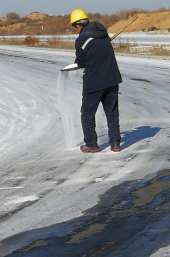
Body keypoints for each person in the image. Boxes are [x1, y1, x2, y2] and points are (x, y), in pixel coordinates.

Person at [70, 9, 123, 153]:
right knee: (112, 113)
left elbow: (81, 62)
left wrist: (79, 59)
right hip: (112, 78)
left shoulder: (81, 40)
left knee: (87, 113)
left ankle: (91, 144)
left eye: (74, 27)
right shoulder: (103, 33)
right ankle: (115, 144)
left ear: (78, 25)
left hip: (94, 82)